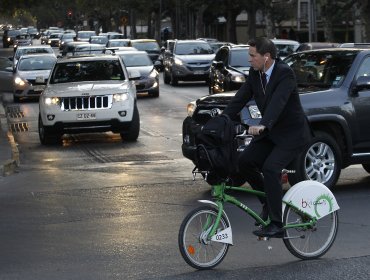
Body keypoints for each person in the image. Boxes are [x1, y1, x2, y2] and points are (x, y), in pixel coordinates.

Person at [222, 37, 312, 238]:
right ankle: (268, 204)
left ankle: (277, 224)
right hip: (271, 132)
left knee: (271, 168)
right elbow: (240, 97)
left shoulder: (284, 73)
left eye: (252, 56)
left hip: (291, 134)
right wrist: (222, 119)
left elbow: (278, 103)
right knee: (245, 161)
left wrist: (263, 124)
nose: (249, 60)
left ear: (267, 57)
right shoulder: (256, 73)